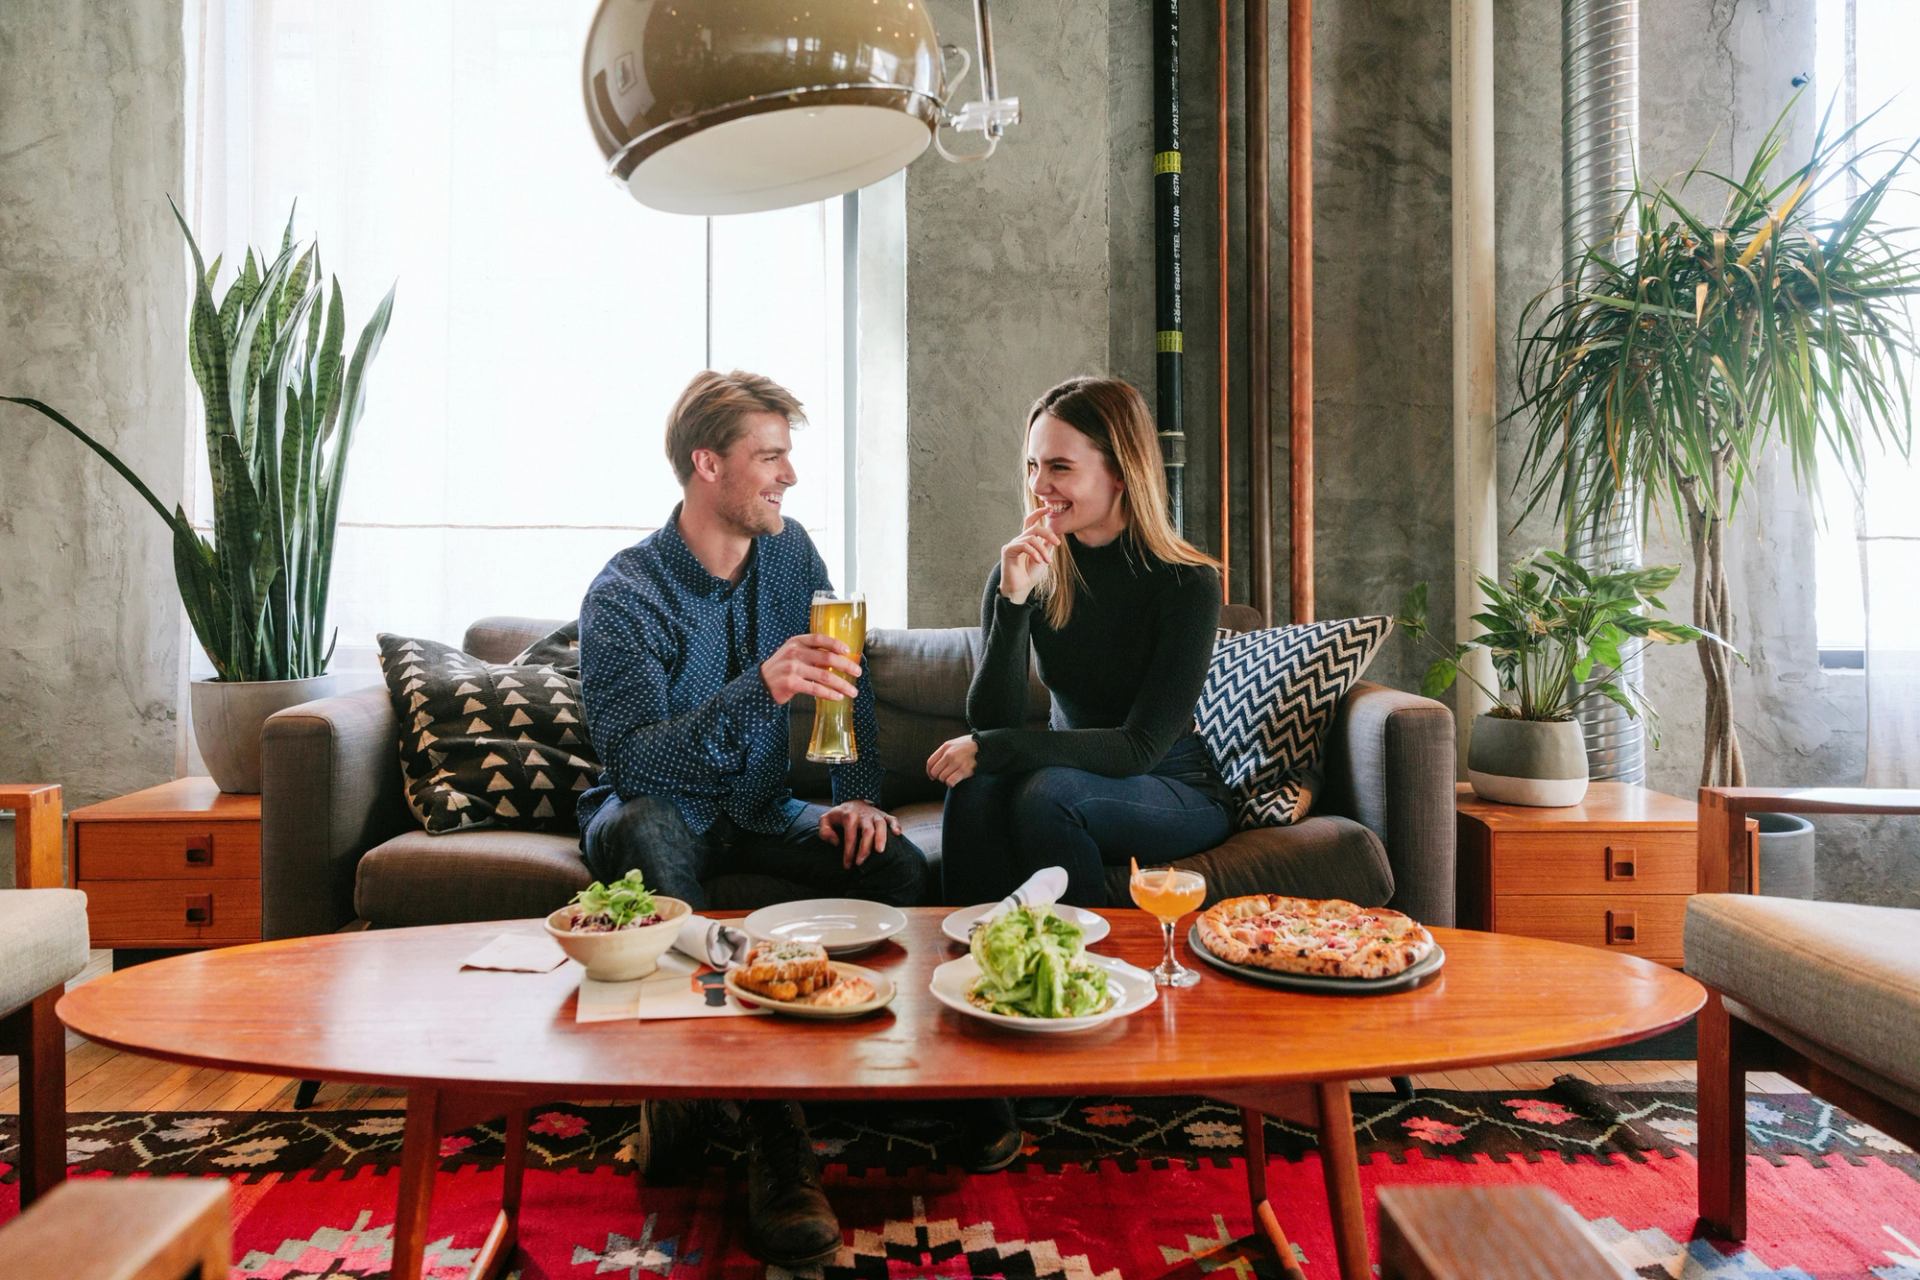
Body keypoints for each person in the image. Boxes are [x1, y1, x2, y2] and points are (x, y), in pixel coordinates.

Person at [576, 369, 927, 1267]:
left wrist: (857, 798)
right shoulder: (625, 594)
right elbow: (635, 759)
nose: (789, 476)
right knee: (651, 829)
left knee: (898, 864)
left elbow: (847, 685)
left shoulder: (793, 554)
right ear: (707, 464)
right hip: (656, 811)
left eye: (788, 455)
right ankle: (777, 1140)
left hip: (764, 809)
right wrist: (755, 691)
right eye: (770, 456)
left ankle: (932, 1092)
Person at [930, 375, 1230, 909]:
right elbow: (991, 719)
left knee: (1047, 794)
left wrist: (997, 748)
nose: (1038, 484)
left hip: (1170, 785)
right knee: (975, 787)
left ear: (1119, 472)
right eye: (1032, 466)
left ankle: (1091, 974)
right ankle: (969, 964)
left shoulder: (1186, 583)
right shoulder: (1027, 568)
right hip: (1062, 774)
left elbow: (1138, 746)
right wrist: (1013, 599)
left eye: (1059, 467)